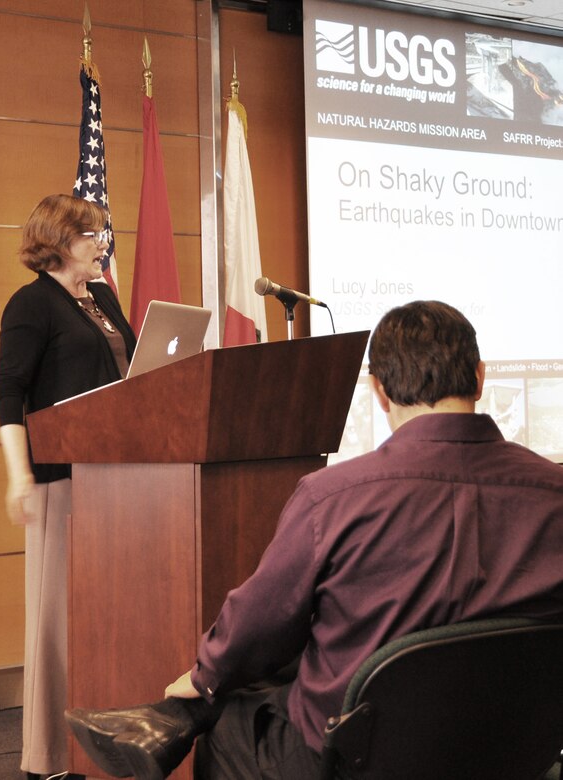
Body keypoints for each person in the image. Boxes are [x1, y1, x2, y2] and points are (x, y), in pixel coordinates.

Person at [65, 300, 563, 780]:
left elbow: (259, 626)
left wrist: (201, 679)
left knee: (237, 716)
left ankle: (171, 719)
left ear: (379, 390)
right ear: (479, 376)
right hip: (517, 746)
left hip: (359, 755)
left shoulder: (335, 497)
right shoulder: (553, 493)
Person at [0, 194, 137, 780]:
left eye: (102, 232)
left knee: (109, 615)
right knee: (57, 619)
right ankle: (47, 757)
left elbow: (127, 375)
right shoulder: (31, 304)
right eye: (91, 234)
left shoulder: (101, 297)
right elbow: (8, 392)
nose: (102, 242)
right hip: (60, 477)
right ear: (59, 240)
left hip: (121, 478)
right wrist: (18, 474)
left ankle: (105, 739)